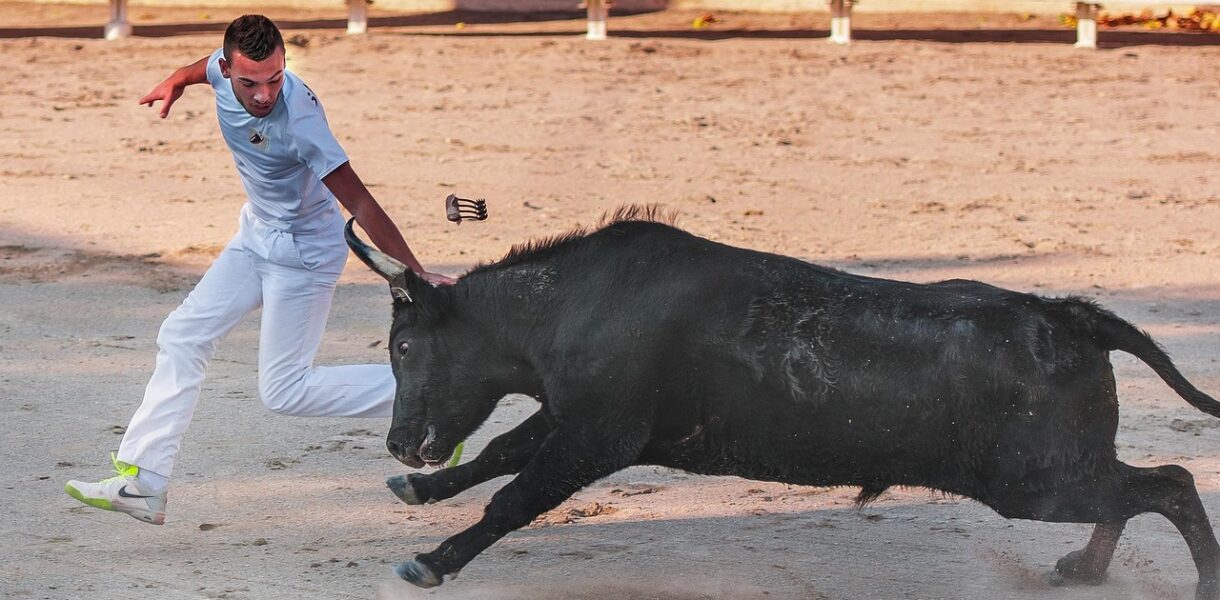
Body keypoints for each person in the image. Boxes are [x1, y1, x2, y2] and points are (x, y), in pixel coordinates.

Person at [64, 14, 452, 525]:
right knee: (182, 335)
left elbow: (361, 203)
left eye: (275, 79)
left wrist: (414, 273)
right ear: (229, 69)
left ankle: (438, 396)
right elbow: (200, 68)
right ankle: (144, 483)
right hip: (255, 235)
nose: (265, 94)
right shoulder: (223, 72)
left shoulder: (301, 122)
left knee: (285, 391)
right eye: (250, 82)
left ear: (285, 65)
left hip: (305, 253)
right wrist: (176, 81)